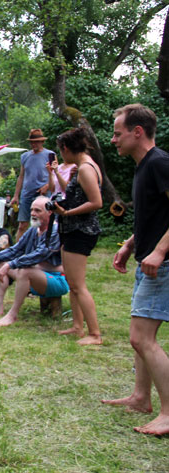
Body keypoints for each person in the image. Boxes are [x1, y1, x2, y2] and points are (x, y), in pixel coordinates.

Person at [101, 104, 169, 436]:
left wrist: (159, 251)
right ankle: (141, 397)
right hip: (148, 262)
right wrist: (130, 244)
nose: (113, 139)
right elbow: (155, 217)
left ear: (137, 132)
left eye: (117, 133)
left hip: (163, 265)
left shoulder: (159, 164)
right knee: (141, 339)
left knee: (142, 338)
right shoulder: (143, 167)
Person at [0, 196, 67, 327]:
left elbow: (38, 255)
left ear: (50, 212)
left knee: (25, 271)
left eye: (38, 211)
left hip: (58, 279)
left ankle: (13, 315)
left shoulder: (55, 231)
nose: (33, 214)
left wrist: (10, 264)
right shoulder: (33, 230)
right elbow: (15, 249)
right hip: (38, 275)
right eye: (32, 210)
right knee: (1, 262)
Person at [50, 127, 103, 345]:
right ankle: (77, 326)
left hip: (80, 231)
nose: (62, 156)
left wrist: (66, 213)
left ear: (67, 148)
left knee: (79, 285)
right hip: (71, 230)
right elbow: (75, 194)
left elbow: (96, 202)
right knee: (72, 283)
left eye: (61, 151)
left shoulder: (86, 169)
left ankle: (95, 334)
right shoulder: (81, 167)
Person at [9, 129, 53, 241]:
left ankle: (42, 246)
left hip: (43, 193)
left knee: (43, 223)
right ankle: (17, 250)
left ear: (42, 142)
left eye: (37, 142)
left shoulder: (50, 155)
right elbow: (21, 176)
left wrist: (47, 186)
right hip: (27, 193)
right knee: (22, 224)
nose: (34, 144)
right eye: (32, 142)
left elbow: (55, 174)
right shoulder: (25, 156)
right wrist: (16, 195)